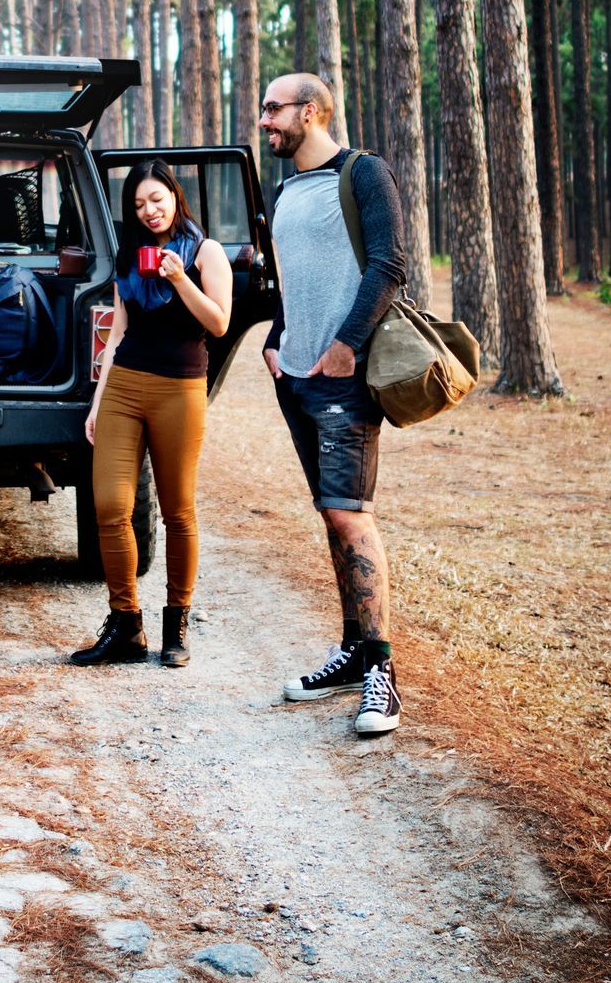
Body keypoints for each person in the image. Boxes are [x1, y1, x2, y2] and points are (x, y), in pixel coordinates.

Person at [258, 72, 407, 737]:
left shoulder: (364, 174)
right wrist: (273, 340)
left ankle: (382, 673)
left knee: (351, 517)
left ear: (312, 112)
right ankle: (351, 652)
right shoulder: (287, 188)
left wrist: (346, 345)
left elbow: (389, 265)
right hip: (297, 376)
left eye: (273, 109)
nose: (265, 121)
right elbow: (292, 282)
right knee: (330, 516)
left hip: (344, 377)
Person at [70, 158, 231, 670]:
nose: (149, 210)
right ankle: (125, 626)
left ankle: (176, 627)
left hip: (180, 389)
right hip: (124, 386)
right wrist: (98, 400)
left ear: (175, 197)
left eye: (156, 199)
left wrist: (182, 279)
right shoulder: (129, 256)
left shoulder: (207, 252)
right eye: (139, 204)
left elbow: (220, 322)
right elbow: (117, 331)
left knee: (177, 509)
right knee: (110, 507)